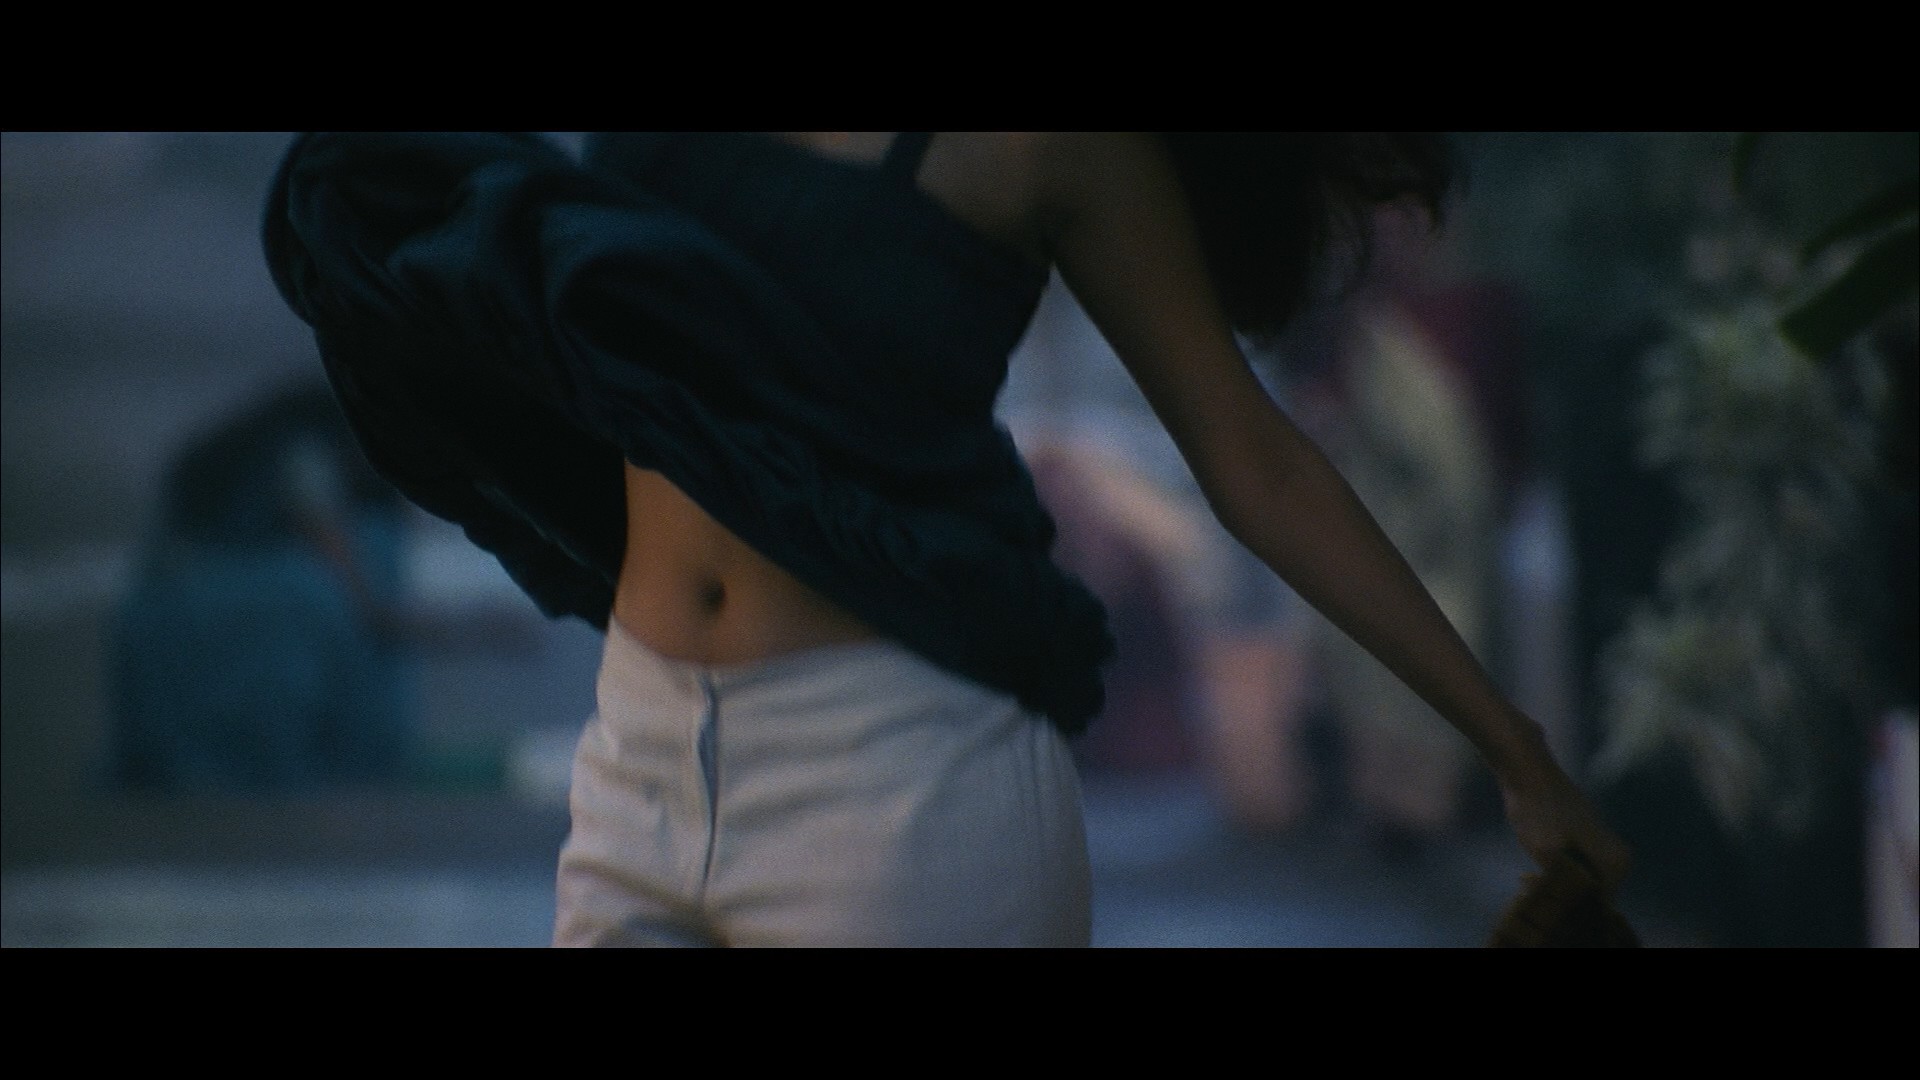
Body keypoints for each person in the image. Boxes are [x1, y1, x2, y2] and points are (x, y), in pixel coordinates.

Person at [264, 131, 1630, 946]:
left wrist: (1514, 750)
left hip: (901, 783)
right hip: (642, 749)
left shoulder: (1055, 144)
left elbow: (1256, 464)